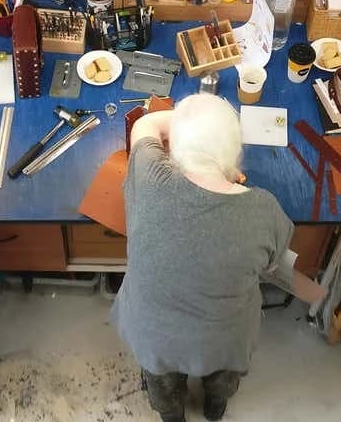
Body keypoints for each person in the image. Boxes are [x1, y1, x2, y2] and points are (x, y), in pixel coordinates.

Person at [112, 94, 323, 422]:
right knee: (224, 376)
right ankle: (215, 407)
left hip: (153, 335)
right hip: (225, 340)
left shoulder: (148, 175)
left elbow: (145, 124)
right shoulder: (264, 209)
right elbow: (273, 268)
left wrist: (185, 122)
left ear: (172, 150)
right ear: (235, 156)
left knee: (162, 386)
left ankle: (172, 416)